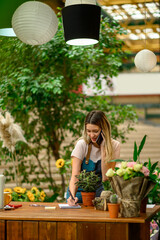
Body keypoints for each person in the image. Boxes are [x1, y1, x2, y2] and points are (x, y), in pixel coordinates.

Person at [67, 110, 120, 206]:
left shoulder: (115, 146)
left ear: (104, 129)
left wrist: (104, 147)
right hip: (79, 194)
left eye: (95, 131)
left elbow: (106, 178)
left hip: (101, 196)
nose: (91, 135)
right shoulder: (82, 145)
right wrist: (71, 196)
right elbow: (75, 175)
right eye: (88, 131)